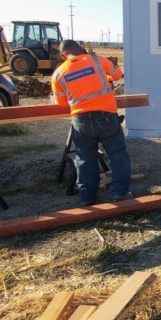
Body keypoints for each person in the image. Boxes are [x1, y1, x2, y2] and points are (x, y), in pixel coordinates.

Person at [51, 40, 131, 205]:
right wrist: (104, 76)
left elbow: (61, 102)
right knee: (117, 155)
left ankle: (87, 198)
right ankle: (120, 193)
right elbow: (117, 75)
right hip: (106, 116)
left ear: (62, 55)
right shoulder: (96, 60)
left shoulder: (58, 73)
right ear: (81, 50)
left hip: (81, 121)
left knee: (85, 159)